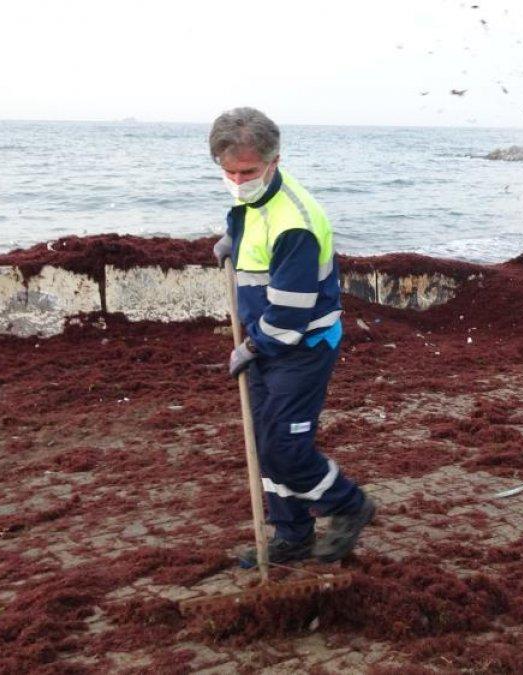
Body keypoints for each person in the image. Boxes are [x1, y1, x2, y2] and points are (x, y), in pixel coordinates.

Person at [209, 107, 374, 564]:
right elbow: (246, 217)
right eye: (229, 172)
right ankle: (293, 535)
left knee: (285, 446)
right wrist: (231, 238)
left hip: (301, 348)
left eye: (248, 172)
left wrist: (251, 347)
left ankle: (349, 504)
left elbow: (289, 315)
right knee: (267, 443)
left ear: (273, 161)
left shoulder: (295, 224)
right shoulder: (254, 200)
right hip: (268, 341)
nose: (239, 181)